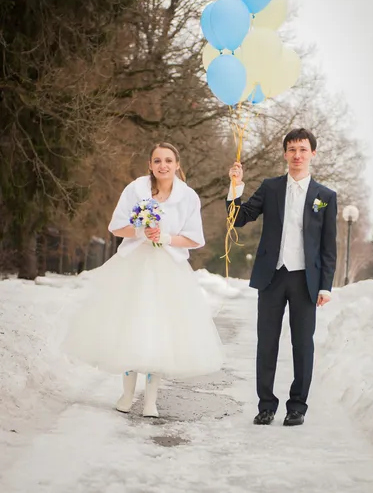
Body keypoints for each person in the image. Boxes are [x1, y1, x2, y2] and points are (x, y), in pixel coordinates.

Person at [64, 142, 223, 418]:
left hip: (168, 268)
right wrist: (140, 231)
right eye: (157, 161)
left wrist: (166, 237)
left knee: (159, 329)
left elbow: (196, 238)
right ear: (150, 165)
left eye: (168, 161)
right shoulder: (135, 189)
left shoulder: (188, 197)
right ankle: (127, 393)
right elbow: (116, 226)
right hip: (134, 265)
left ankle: (151, 400)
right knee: (130, 324)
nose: (163, 165)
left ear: (177, 164)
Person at [227, 128, 337, 426]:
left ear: (312, 153)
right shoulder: (271, 187)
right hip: (272, 277)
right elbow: (239, 217)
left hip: (306, 281)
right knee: (267, 343)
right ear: (285, 154)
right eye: (291, 149)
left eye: (302, 149)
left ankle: (297, 405)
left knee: (303, 344)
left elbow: (329, 246)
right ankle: (266, 404)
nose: (297, 155)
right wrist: (235, 187)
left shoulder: (326, 197)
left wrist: (325, 286)